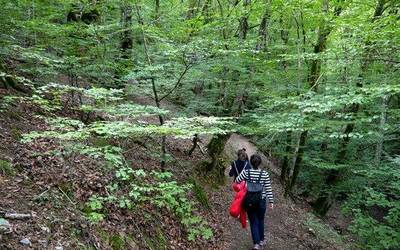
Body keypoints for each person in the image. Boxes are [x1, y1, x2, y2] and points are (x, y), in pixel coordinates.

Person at [236, 154, 274, 250]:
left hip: (250, 200)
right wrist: (271, 202)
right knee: (261, 220)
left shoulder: (246, 172)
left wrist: (245, 183)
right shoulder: (264, 174)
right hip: (261, 200)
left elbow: (237, 180)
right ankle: (261, 240)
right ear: (260, 163)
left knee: (253, 222)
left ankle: (256, 244)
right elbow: (268, 188)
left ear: (251, 163)